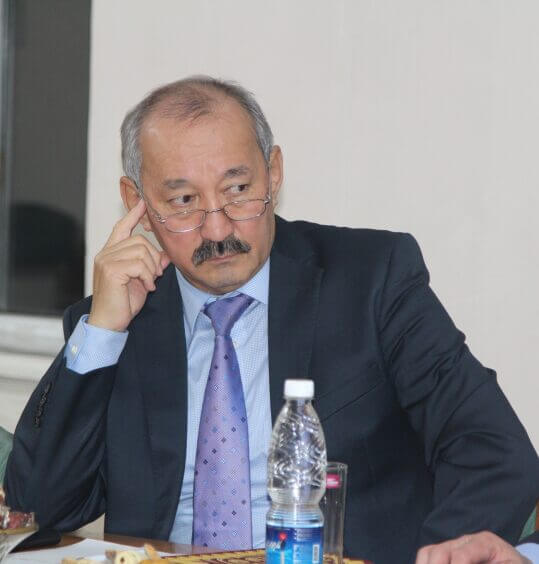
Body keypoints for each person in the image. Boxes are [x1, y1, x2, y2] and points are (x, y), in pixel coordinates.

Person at [5, 76, 539, 564]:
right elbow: (41, 507)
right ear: (136, 202)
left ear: (274, 173)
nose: (217, 229)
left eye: (237, 191)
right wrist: (101, 333)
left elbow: (491, 450)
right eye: (184, 201)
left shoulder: (371, 281)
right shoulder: (122, 317)